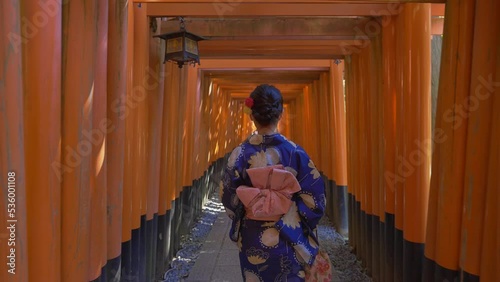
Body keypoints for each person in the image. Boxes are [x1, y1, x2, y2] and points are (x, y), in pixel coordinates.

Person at [220, 84, 326, 281]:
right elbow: (315, 200)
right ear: (281, 113)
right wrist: (294, 216)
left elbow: (228, 197)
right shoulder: (295, 152)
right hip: (290, 236)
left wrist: (251, 211)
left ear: (252, 115)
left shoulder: (240, 154)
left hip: (253, 237)